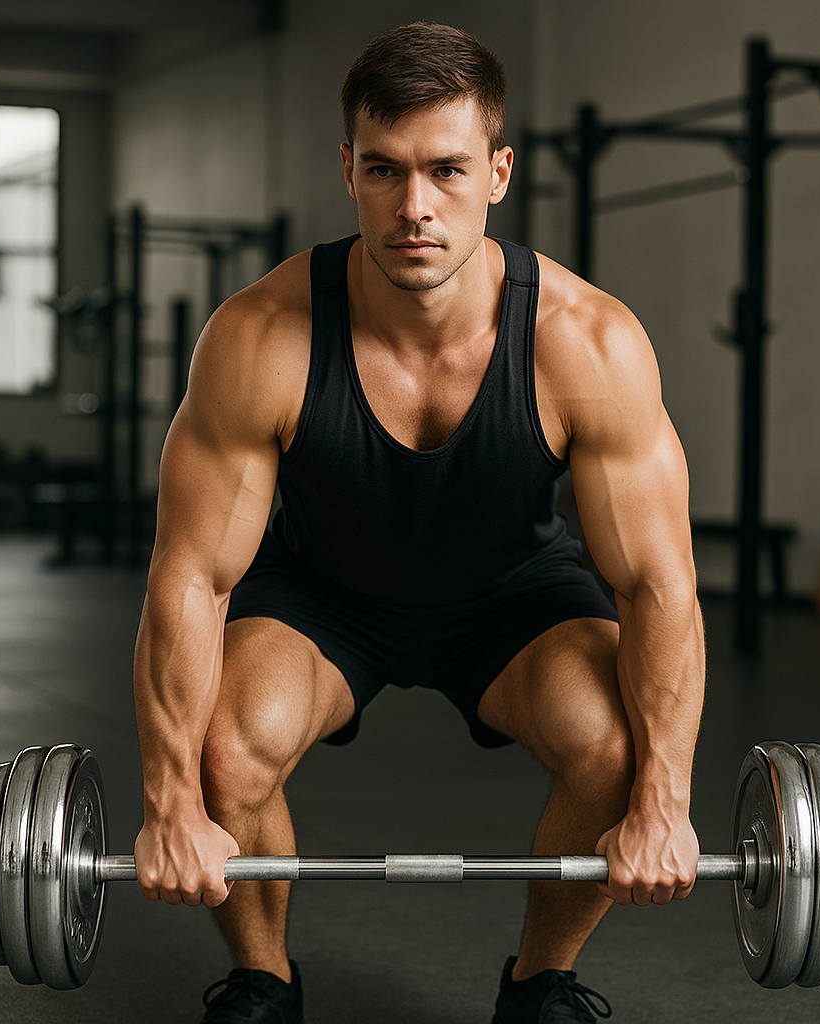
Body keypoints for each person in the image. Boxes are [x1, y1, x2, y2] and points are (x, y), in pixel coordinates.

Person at [132, 21, 705, 1024]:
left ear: (497, 173)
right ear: (348, 170)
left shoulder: (587, 343)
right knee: (226, 751)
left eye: (445, 169)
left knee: (615, 747)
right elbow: (191, 577)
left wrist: (664, 800)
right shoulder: (259, 337)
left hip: (513, 598)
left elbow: (655, 584)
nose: (414, 207)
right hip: (323, 595)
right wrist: (170, 801)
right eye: (385, 170)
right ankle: (263, 980)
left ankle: (540, 984)